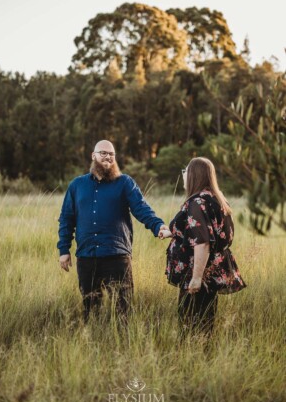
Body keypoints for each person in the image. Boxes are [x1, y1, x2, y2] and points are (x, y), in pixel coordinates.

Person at [57, 140, 167, 324]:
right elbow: (67, 219)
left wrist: (158, 226)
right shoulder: (77, 185)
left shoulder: (124, 183)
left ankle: (122, 346)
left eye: (111, 154)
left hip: (116, 256)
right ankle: (93, 342)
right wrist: (63, 250)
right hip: (87, 256)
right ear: (93, 156)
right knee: (90, 308)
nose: (108, 156)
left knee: (123, 308)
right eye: (103, 153)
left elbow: (141, 209)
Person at [159, 157, 246, 336]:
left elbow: (203, 242)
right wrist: (173, 231)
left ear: (193, 175)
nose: (184, 175)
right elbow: (205, 230)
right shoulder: (216, 197)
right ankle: (202, 357)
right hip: (213, 273)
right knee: (206, 322)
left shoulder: (196, 203)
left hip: (199, 273)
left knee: (190, 325)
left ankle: (191, 359)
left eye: (186, 172)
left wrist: (196, 278)